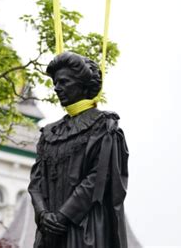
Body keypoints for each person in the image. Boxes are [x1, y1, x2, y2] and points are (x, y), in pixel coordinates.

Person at [28, 52, 129, 248]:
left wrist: (63, 216)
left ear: (82, 85)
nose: (57, 88)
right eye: (56, 82)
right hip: (49, 232)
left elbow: (98, 178)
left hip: (84, 229)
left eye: (63, 82)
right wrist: (42, 214)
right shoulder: (49, 133)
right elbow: (36, 181)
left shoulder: (104, 127)